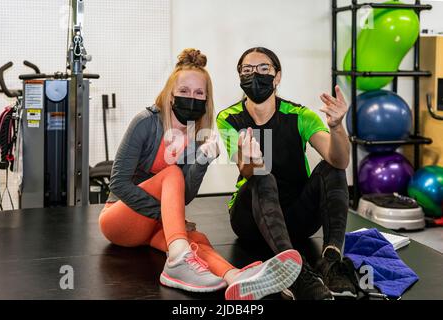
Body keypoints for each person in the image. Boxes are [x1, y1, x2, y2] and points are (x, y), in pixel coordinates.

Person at [98, 48, 302, 300]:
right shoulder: (146, 122)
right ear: (170, 94)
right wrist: (164, 215)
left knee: (197, 239)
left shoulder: (196, 134)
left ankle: (235, 278)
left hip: (153, 225)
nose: (190, 97)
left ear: (206, 99)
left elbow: (182, 196)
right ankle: (177, 260)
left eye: (198, 93)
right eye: (183, 91)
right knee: (172, 174)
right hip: (119, 219)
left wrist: (203, 160)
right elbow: (118, 183)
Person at [216, 47, 356, 300]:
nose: (254, 75)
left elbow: (340, 160)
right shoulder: (228, 118)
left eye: (263, 69)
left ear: (277, 76)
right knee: (261, 173)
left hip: (297, 218)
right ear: (239, 77)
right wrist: (251, 162)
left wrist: (337, 128)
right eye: (247, 70)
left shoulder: (300, 115)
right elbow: (244, 170)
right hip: (251, 221)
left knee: (331, 169)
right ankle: (296, 273)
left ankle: (332, 260)